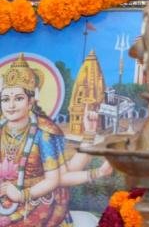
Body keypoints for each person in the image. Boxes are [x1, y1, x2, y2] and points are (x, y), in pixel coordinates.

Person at [1, 54, 112, 227]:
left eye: (19, 98)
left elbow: (59, 177)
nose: (11, 105)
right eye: (5, 99)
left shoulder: (44, 133)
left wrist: (90, 134)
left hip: (36, 203)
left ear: (30, 102)